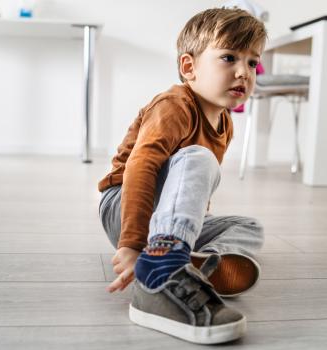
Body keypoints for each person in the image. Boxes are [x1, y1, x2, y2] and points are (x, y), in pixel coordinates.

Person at [98, 7, 267, 344]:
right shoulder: (174, 104)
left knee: (249, 227)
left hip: (165, 219)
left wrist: (194, 218)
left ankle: (192, 264)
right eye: (229, 57)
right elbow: (140, 167)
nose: (243, 72)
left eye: (252, 62)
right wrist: (131, 244)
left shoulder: (225, 123)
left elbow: (194, 187)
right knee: (199, 158)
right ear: (189, 67)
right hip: (126, 204)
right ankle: (161, 264)